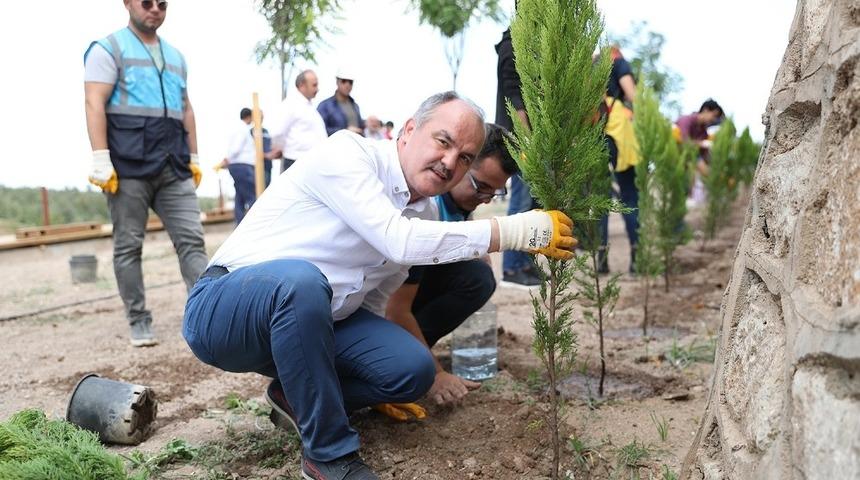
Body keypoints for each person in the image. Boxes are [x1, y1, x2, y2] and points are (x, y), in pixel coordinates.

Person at [182, 92, 575, 479]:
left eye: (465, 157)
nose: (450, 162)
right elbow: (397, 239)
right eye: (443, 141)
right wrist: (513, 230)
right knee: (301, 282)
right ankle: (328, 455)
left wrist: (382, 376)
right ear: (408, 131)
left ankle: (294, 396)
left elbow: (377, 301)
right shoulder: (349, 155)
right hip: (224, 309)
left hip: (311, 326)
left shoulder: (420, 208)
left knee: (412, 370)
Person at [84, 0, 208, 347]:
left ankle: (206, 318)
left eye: (163, 3)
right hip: (128, 167)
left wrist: (194, 154)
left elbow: (186, 108)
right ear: (127, 3)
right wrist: (100, 158)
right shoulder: (108, 49)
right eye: (147, 2)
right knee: (128, 246)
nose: (155, 8)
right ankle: (139, 320)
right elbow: (94, 101)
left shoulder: (176, 57)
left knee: (192, 240)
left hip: (173, 164)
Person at [382, 123, 518, 407]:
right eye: (480, 187)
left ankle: (411, 351)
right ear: (460, 165)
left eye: (494, 193)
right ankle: (397, 359)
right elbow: (394, 309)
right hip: (376, 311)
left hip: (400, 300)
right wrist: (437, 374)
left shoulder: (456, 207)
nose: (485, 199)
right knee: (476, 277)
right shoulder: (424, 216)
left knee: (476, 270)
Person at [496, 26, 541, 288]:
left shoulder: (526, 44)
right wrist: (527, 140)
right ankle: (511, 269)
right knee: (521, 203)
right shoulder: (512, 45)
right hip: (520, 137)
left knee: (532, 205)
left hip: (531, 137)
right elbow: (515, 98)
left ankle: (525, 264)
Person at [598, 45, 641, 274]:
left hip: (594, 131)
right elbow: (632, 94)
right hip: (618, 129)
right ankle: (636, 258)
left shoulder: (592, 66)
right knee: (629, 195)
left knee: (600, 198)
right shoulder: (618, 62)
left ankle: (601, 259)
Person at [217, 108, 281, 225]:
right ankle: (255, 225)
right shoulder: (245, 130)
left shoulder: (237, 129)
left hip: (238, 166)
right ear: (250, 116)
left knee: (240, 196)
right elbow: (236, 149)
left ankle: (240, 225)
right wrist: (227, 159)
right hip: (243, 166)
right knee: (254, 196)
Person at [270, 69, 328, 173]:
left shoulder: (309, 107)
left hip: (312, 163)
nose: (317, 89)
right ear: (302, 85)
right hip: (296, 162)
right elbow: (277, 132)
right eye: (314, 85)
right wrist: (281, 149)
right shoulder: (290, 104)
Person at [674, 99, 725, 175]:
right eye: (714, 115)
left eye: (716, 118)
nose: (714, 119)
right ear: (705, 110)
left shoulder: (704, 132)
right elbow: (684, 142)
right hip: (675, 160)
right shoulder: (686, 120)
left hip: (688, 168)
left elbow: (705, 155)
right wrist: (701, 144)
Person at [317, 68, 364, 136]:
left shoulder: (355, 106)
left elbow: (361, 128)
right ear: (337, 82)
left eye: (350, 82)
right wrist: (345, 131)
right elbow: (320, 130)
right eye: (344, 81)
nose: (347, 85)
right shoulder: (325, 106)